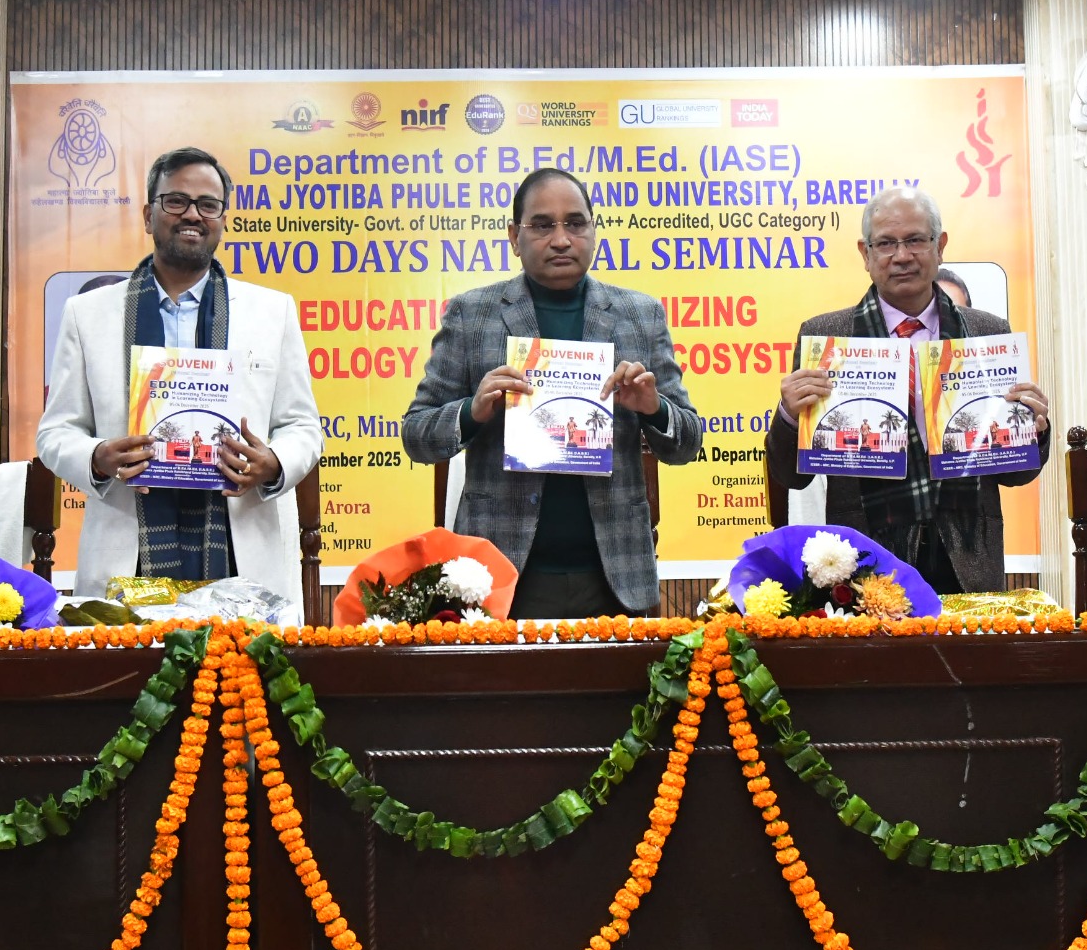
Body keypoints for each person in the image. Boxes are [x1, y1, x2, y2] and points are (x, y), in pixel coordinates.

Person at [37, 147, 323, 619]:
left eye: (208, 205)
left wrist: (272, 462)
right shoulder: (88, 314)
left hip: (242, 552)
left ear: (222, 220)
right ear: (148, 215)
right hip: (128, 551)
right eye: (176, 201)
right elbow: (55, 432)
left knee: (239, 670)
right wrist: (98, 457)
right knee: (132, 667)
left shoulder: (272, 311)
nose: (193, 214)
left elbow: (304, 428)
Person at [403, 167, 703, 618]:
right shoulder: (471, 315)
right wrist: (472, 411)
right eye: (542, 225)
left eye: (575, 223)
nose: (561, 239)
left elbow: (688, 443)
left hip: (616, 574)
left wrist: (654, 409)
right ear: (514, 236)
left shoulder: (640, 315)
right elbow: (416, 435)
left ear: (593, 230)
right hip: (500, 575)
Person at [770, 189, 1048, 595]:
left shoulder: (988, 333)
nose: (902, 256)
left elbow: (1017, 474)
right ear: (865, 254)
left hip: (968, 557)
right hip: (864, 561)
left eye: (916, 240)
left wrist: (1034, 429)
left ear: (940, 246)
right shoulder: (826, 337)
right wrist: (790, 416)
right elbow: (790, 476)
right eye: (886, 243)